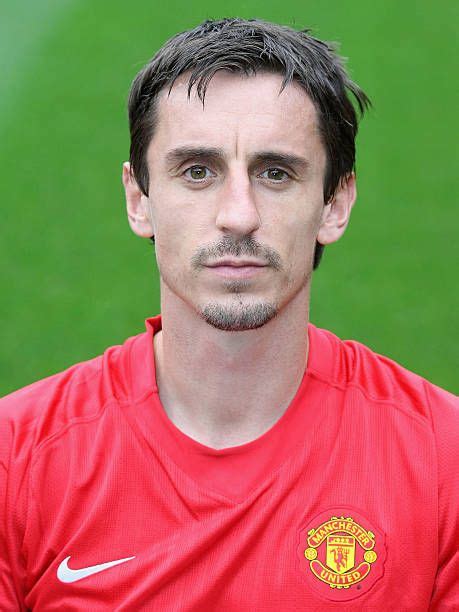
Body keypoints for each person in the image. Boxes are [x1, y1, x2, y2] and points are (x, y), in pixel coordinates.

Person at [0, 17, 457, 611]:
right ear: (139, 200)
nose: (238, 215)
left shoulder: (444, 458)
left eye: (275, 173)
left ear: (334, 204)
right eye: (198, 171)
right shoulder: (17, 458)